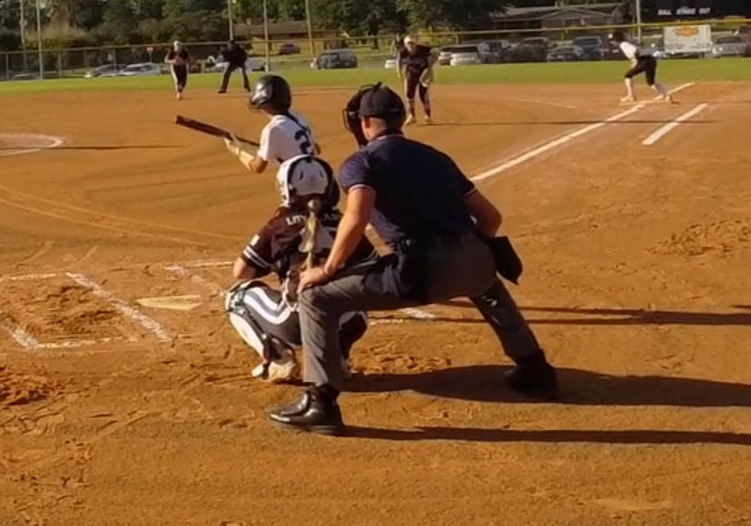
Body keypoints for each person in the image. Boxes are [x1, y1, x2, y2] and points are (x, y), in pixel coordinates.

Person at [266, 84, 558, 435]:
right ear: (401, 119)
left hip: (422, 269)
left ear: (365, 123)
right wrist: (471, 251)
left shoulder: (362, 162)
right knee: (488, 286)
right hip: (475, 257)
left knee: (316, 297)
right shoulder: (436, 157)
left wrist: (326, 270)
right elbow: (490, 217)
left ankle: (321, 402)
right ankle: (535, 369)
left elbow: (356, 218)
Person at [226, 155, 371, 383]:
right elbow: (371, 264)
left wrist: (281, 261)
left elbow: (241, 272)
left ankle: (276, 358)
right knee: (356, 293)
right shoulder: (345, 222)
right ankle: (337, 356)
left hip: (299, 323)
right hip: (352, 322)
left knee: (236, 297)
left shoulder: (280, 224)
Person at [225, 74, 319, 178]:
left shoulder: (272, 129)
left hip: (298, 182)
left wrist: (237, 151)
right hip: (321, 175)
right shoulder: (297, 116)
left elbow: (257, 167)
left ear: (265, 103)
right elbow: (316, 149)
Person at [610, 32, 674, 104]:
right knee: (651, 82)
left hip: (643, 61)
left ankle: (631, 96)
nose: (612, 42)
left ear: (616, 40)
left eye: (612, 40)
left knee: (628, 76)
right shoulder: (626, 43)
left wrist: (636, 61)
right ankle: (666, 95)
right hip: (650, 60)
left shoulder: (623, 44)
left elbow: (635, 51)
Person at [396, 35, 436, 125]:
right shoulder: (403, 52)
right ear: (405, 44)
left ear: (416, 44)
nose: (411, 45)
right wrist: (399, 73)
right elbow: (398, 61)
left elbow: (432, 59)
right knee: (409, 94)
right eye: (408, 43)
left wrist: (429, 73)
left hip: (424, 72)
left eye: (412, 43)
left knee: (423, 94)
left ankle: (428, 116)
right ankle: (412, 116)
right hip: (411, 72)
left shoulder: (424, 50)